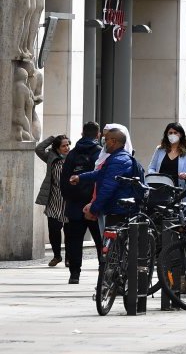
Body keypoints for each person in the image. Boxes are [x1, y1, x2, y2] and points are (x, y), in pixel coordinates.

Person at [69, 128, 142, 281]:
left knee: (114, 249)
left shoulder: (118, 160)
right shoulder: (116, 158)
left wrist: (94, 209)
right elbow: (101, 174)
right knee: (114, 247)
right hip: (116, 209)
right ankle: (115, 279)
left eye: (107, 139)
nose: (104, 142)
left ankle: (115, 280)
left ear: (114, 141)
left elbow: (108, 187)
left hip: (118, 210)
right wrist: (81, 177)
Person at [60, 121, 103, 284]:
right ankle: (103, 272)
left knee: (75, 241)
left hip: (75, 205)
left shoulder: (72, 154)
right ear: (98, 135)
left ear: (82, 133)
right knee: (100, 241)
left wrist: (70, 198)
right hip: (94, 206)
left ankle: (74, 274)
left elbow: (63, 180)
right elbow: (102, 179)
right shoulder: (100, 153)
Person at [34, 134, 71, 266]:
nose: (67, 148)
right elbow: (38, 149)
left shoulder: (73, 159)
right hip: (54, 200)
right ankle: (57, 256)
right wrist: (51, 138)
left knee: (69, 232)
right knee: (54, 230)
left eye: (68, 145)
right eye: (63, 146)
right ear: (57, 148)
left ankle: (69, 258)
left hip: (68, 201)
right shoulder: (51, 157)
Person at [148, 122, 186, 212]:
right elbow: (151, 167)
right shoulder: (160, 149)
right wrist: (154, 174)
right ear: (166, 135)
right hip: (161, 192)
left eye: (175, 133)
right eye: (170, 133)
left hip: (180, 193)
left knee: (180, 224)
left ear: (181, 134)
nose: (173, 135)